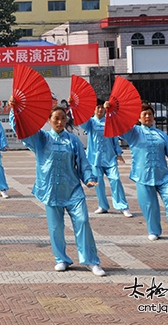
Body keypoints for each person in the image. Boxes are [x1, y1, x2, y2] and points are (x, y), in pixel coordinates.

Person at [8, 100, 106, 276]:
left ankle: (91, 261)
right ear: (49, 120)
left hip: (73, 189)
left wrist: (89, 178)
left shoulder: (73, 140)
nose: (60, 122)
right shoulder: (41, 138)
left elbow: (82, 162)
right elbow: (21, 130)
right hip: (51, 189)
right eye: (56, 119)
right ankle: (61, 259)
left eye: (62, 118)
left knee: (83, 221)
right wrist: (14, 110)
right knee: (56, 227)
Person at [114, 102, 168, 244]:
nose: (147, 117)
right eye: (144, 114)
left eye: (150, 114)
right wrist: (113, 111)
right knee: (149, 205)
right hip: (142, 175)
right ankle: (153, 230)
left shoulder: (161, 134)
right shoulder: (134, 132)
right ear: (138, 118)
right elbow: (120, 128)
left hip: (162, 175)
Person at [79, 99, 132, 218]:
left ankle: (122, 206)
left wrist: (118, 153)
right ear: (93, 109)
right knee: (98, 182)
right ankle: (102, 205)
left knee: (115, 179)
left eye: (101, 107)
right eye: (97, 107)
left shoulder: (109, 121)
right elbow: (80, 120)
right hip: (95, 158)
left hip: (109, 157)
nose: (99, 110)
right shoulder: (90, 123)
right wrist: (74, 106)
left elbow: (114, 138)